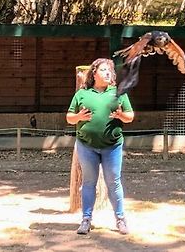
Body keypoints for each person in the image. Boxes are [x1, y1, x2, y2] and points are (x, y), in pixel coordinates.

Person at [66, 58, 134, 235]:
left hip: (112, 147)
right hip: (86, 146)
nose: (107, 73)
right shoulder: (82, 94)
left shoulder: (119, 93)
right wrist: (79, 116)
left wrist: (121, 115)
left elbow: (130, 116)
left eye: (109, 70)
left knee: (114, 182)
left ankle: (120, 219)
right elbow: (69, 117)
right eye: (103, 69)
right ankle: (86, 220)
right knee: (89, 182)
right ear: (94, 73)